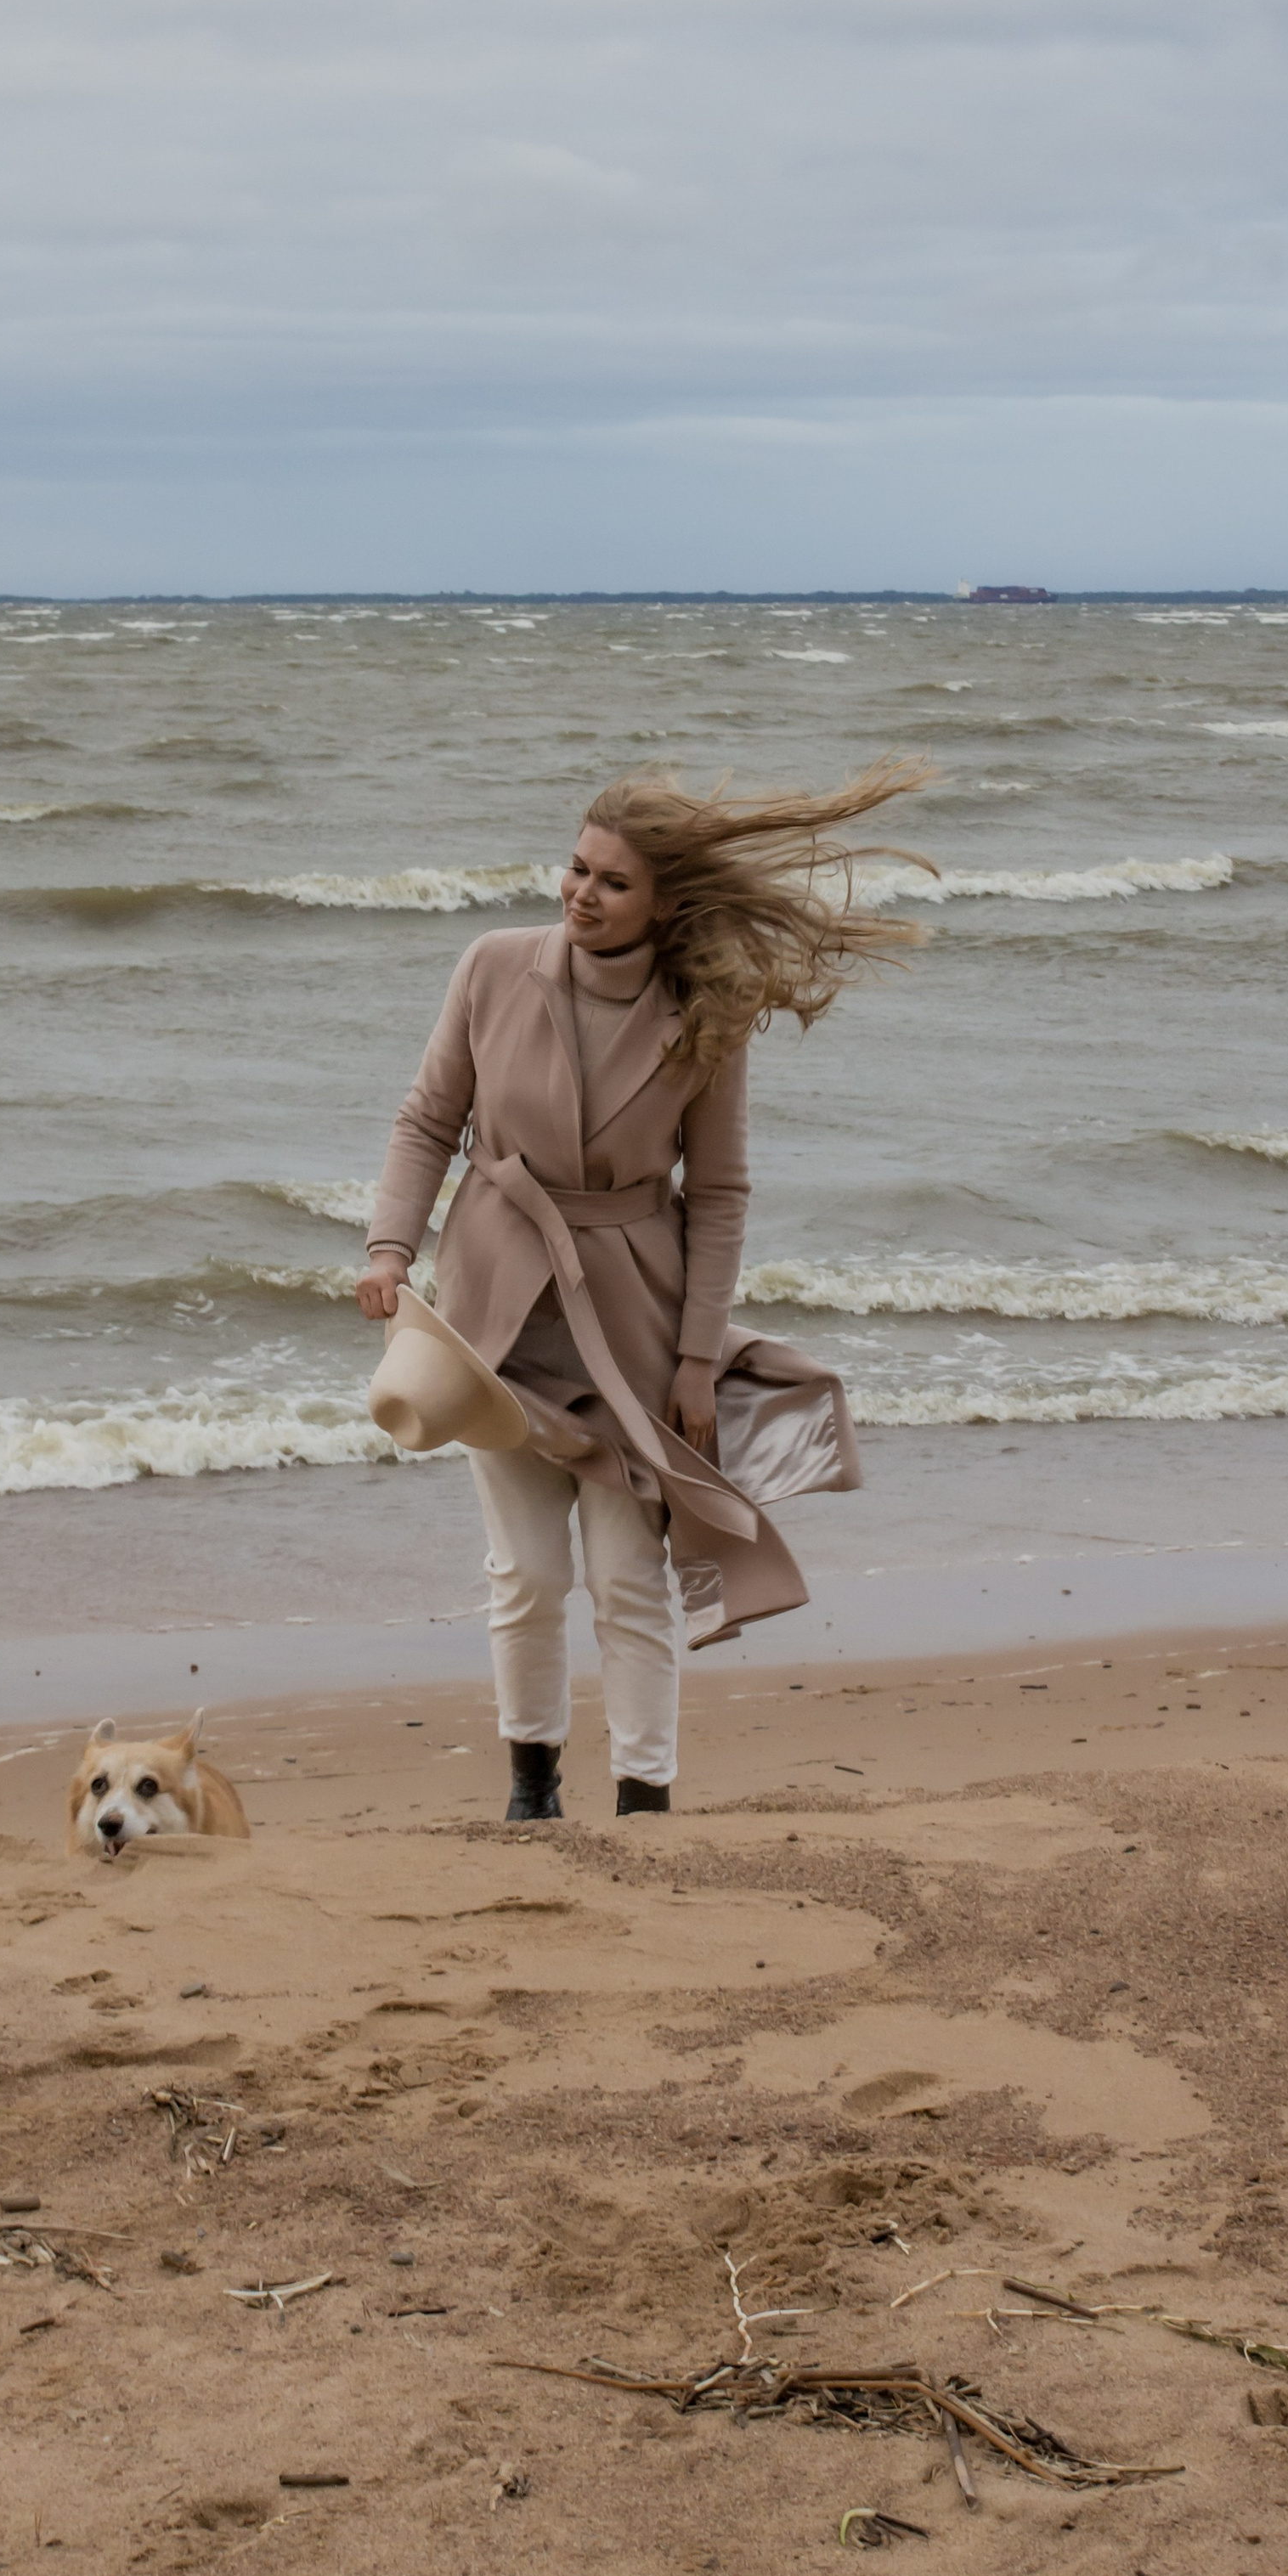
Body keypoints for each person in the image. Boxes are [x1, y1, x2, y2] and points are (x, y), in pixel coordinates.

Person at [356, 763, 932, 1822]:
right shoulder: (490, 967)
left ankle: (645, 1803)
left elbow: (716, 1193)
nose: (581, 893)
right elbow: (426, 1119)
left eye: (613, 882)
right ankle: (532, 1789)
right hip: (495, 1320)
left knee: (627, 1577)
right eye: (576, 868)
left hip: (633, 1327)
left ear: (664, 901)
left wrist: (699, 1357)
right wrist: (391, 1246)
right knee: (526, 1572)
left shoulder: (706, 1013)